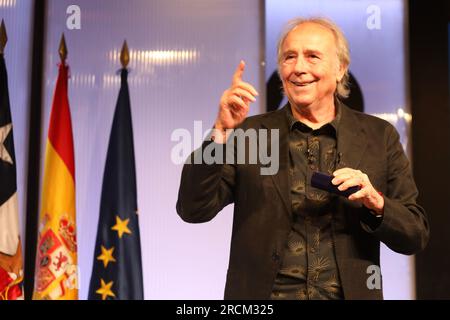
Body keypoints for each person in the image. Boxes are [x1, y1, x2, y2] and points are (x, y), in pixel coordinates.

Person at [176, 17, 429, 300]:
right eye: (289, 57)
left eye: (312, 57)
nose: (298, 68)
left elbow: (415, 233)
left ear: (340, 68)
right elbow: (193, 209)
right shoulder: (250, 133)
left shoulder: (378, 136)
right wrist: (220, 132)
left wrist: (375, 202)